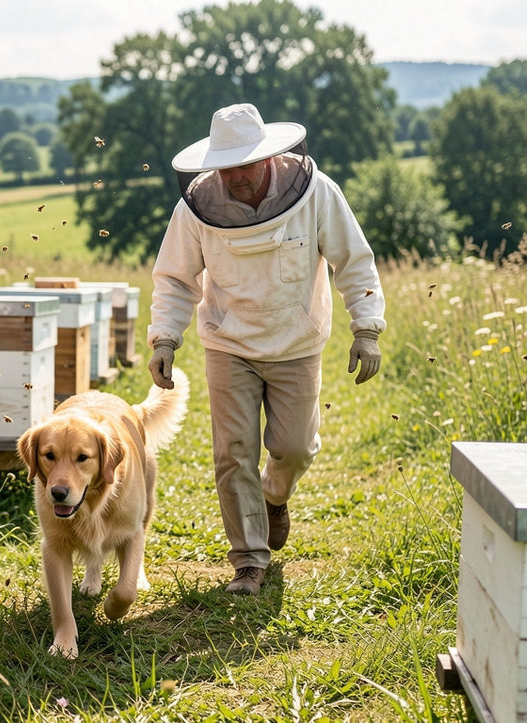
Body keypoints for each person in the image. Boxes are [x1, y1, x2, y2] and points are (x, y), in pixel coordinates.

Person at [146, 103, 385, 595]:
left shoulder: (317, 193)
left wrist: (366, 328)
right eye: (226, 167)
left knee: (295, 449)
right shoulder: (195, 208)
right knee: (233, 453)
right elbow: (174, 278)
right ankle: (249, 561)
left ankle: (275, 498)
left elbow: (353, 258)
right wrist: (165, 338)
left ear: (271, 157)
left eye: (246, 164)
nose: (236, 177)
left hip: (297, 343)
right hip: (228, 343)